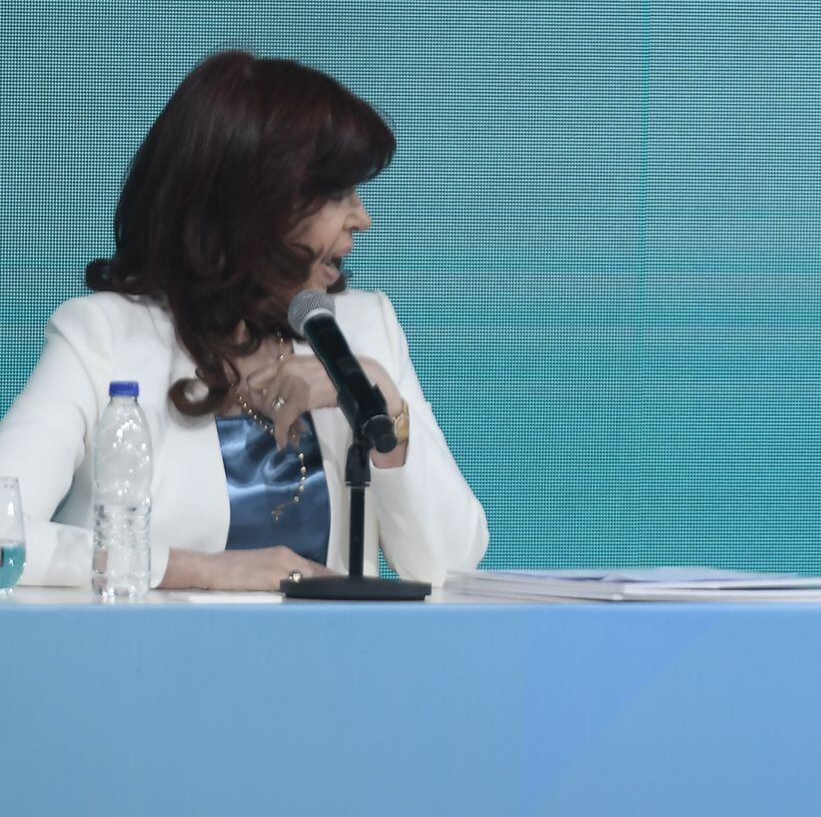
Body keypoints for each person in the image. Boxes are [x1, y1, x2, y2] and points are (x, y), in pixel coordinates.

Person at [0, 50, 488, 590]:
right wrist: (202, 571)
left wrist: (381, 401)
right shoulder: (103, 337)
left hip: (336, 668)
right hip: (151, 667)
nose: (362, 220)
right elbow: (4, 534)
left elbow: (449, 565)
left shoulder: (362, 329)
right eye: (336, 195)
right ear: (259, 202)